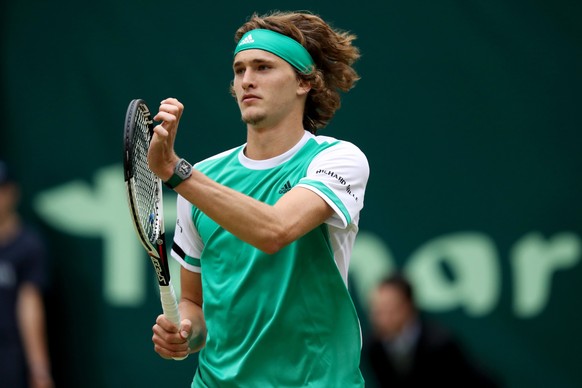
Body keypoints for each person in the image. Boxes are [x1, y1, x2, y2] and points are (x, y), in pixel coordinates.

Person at [149, 10, 369, 387]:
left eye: (263, 67)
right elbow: (195, 304)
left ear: (304, 83)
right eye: (239, 70)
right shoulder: (203, 177)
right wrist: (185, 334)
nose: (246, 81)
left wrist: (175, 171)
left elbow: (275, 230)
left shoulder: (337, 160)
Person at [363, 273, 499, 388]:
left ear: (408, 307)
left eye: (389, 309)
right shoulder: (373, 349)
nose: (380, 318)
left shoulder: (440, 344)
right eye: (376, 310)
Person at [0, 161, 54, 388]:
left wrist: (39, 369)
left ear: (12, 193)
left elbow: (29, 306)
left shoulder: (28, 246)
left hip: (10, 362)